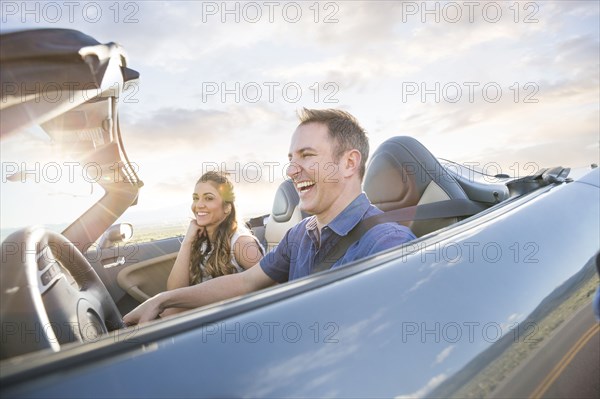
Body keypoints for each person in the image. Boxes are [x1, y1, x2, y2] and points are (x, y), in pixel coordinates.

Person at [124, 108, 416, 325]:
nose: (290, 171)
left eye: (307, 155)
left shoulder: (387, 244)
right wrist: (163, 299)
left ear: (349, 163)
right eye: (291, 159)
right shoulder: (300, 233)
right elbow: (246, 283)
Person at [160, 171, 264, 317]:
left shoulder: (242, 242)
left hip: (239, 316)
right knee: (168, 311)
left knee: (169, 313)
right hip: (212, 312)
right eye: (196, 198)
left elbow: (269, 288)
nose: (199, 205)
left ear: (227, 207)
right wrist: (187, 242)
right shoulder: (200, 241)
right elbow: (174, 292)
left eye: (208, 198)